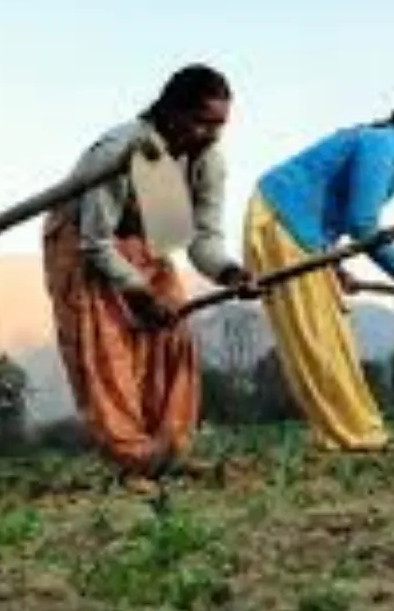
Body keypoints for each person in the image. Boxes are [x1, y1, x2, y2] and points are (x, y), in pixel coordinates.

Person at [41, 63, 253, 495]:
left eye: (219, 125)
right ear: (172, 112)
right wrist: (137, 292)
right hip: (83, 242)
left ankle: (169, 451)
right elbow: (96, 241)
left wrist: (230, 272)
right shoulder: (121, 150)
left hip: (146, 242)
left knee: (171, 335)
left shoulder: (208, 161)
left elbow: (202, 240)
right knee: (107, 351)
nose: (211, 134)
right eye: (202, 122)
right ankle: (135, 460)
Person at [243, 87, 394, 452]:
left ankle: (361, 431)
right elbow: (362, 224)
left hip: (303, 233)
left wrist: (333, 265)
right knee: (317, 338)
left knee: (334, 335)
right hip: (281, 220)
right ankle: (354, 436)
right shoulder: (383, 144)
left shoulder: (391, 151)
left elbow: (332, 213)